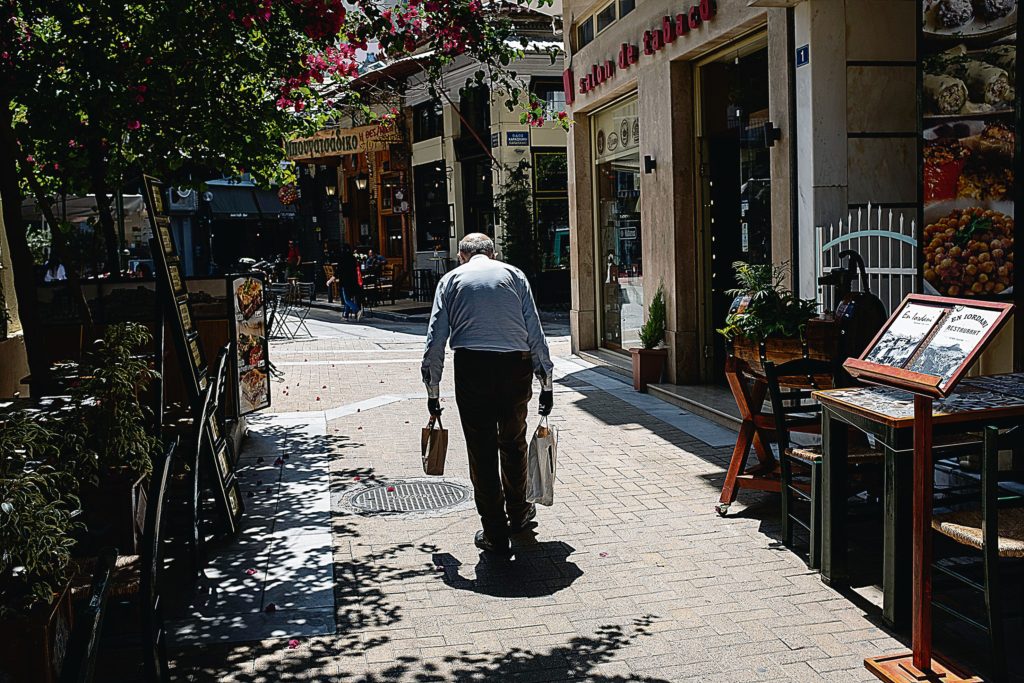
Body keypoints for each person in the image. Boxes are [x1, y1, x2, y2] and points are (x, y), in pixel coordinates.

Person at [421, 233, 553, 556]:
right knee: (513, 442)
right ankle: (519, 513)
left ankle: (494, 531)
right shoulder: (514, 276)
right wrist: (546, 382)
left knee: (480, 449)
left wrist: (433, 391)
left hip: (472, 369)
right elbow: (535, 332)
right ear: (493, 254)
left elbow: (435, 342)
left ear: (461, 256)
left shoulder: (450, 281)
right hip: (514, 368)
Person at [338, 244, 362, 321]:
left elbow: (338, 271)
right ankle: (346, 315)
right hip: (354, 282)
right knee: (348, 298)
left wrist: (330, 280)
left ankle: (357, 310)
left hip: (345, 282)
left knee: (346, 299)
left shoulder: (342, 258)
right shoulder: (353, 258)